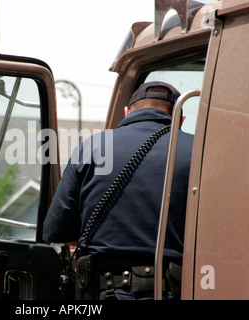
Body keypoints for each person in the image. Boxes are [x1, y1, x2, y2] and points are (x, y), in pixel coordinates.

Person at [42, 81, 194, 300]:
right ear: (181, 120)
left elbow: (55, 232)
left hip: (104, 291)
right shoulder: (199, 151)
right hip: (171, 290)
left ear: (126, 112)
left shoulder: (91, 148)